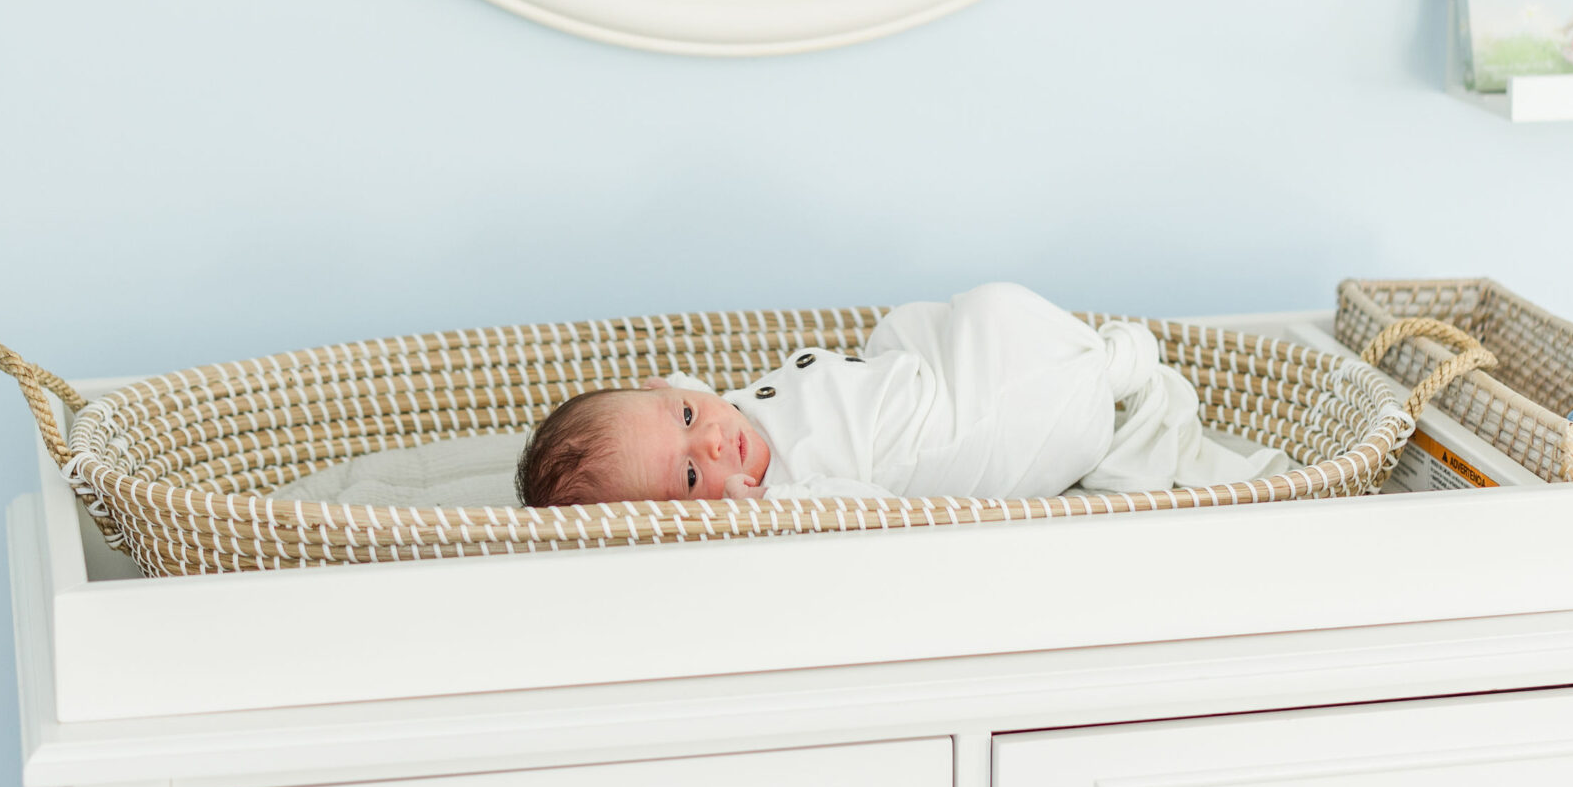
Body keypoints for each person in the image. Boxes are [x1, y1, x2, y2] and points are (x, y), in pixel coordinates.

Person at [514, 282, 1287, 507]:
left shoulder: (707, 408)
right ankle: (1104, 376)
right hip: (951, 432)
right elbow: (862, 509)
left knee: (958, 315)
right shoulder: (781, 494)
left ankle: (1100, 371)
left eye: (686, 418)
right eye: (689, 475)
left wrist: (678, 407)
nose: (712, 442)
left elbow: (674, 405)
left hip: (918, 377)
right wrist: (762, 510)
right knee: (999, 323)